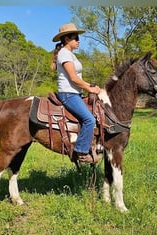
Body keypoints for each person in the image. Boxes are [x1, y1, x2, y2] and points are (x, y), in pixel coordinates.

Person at [52, 23, 101, 164]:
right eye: (76, 38)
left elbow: (77, 78)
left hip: (75, 93)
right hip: (68, 94)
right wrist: (89, 88)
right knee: (89, 120)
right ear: (67, 39)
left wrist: (89, 85)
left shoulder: (70, 54)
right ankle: (81, 152)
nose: (79, 40)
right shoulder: (64, 54)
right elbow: (73, 78)